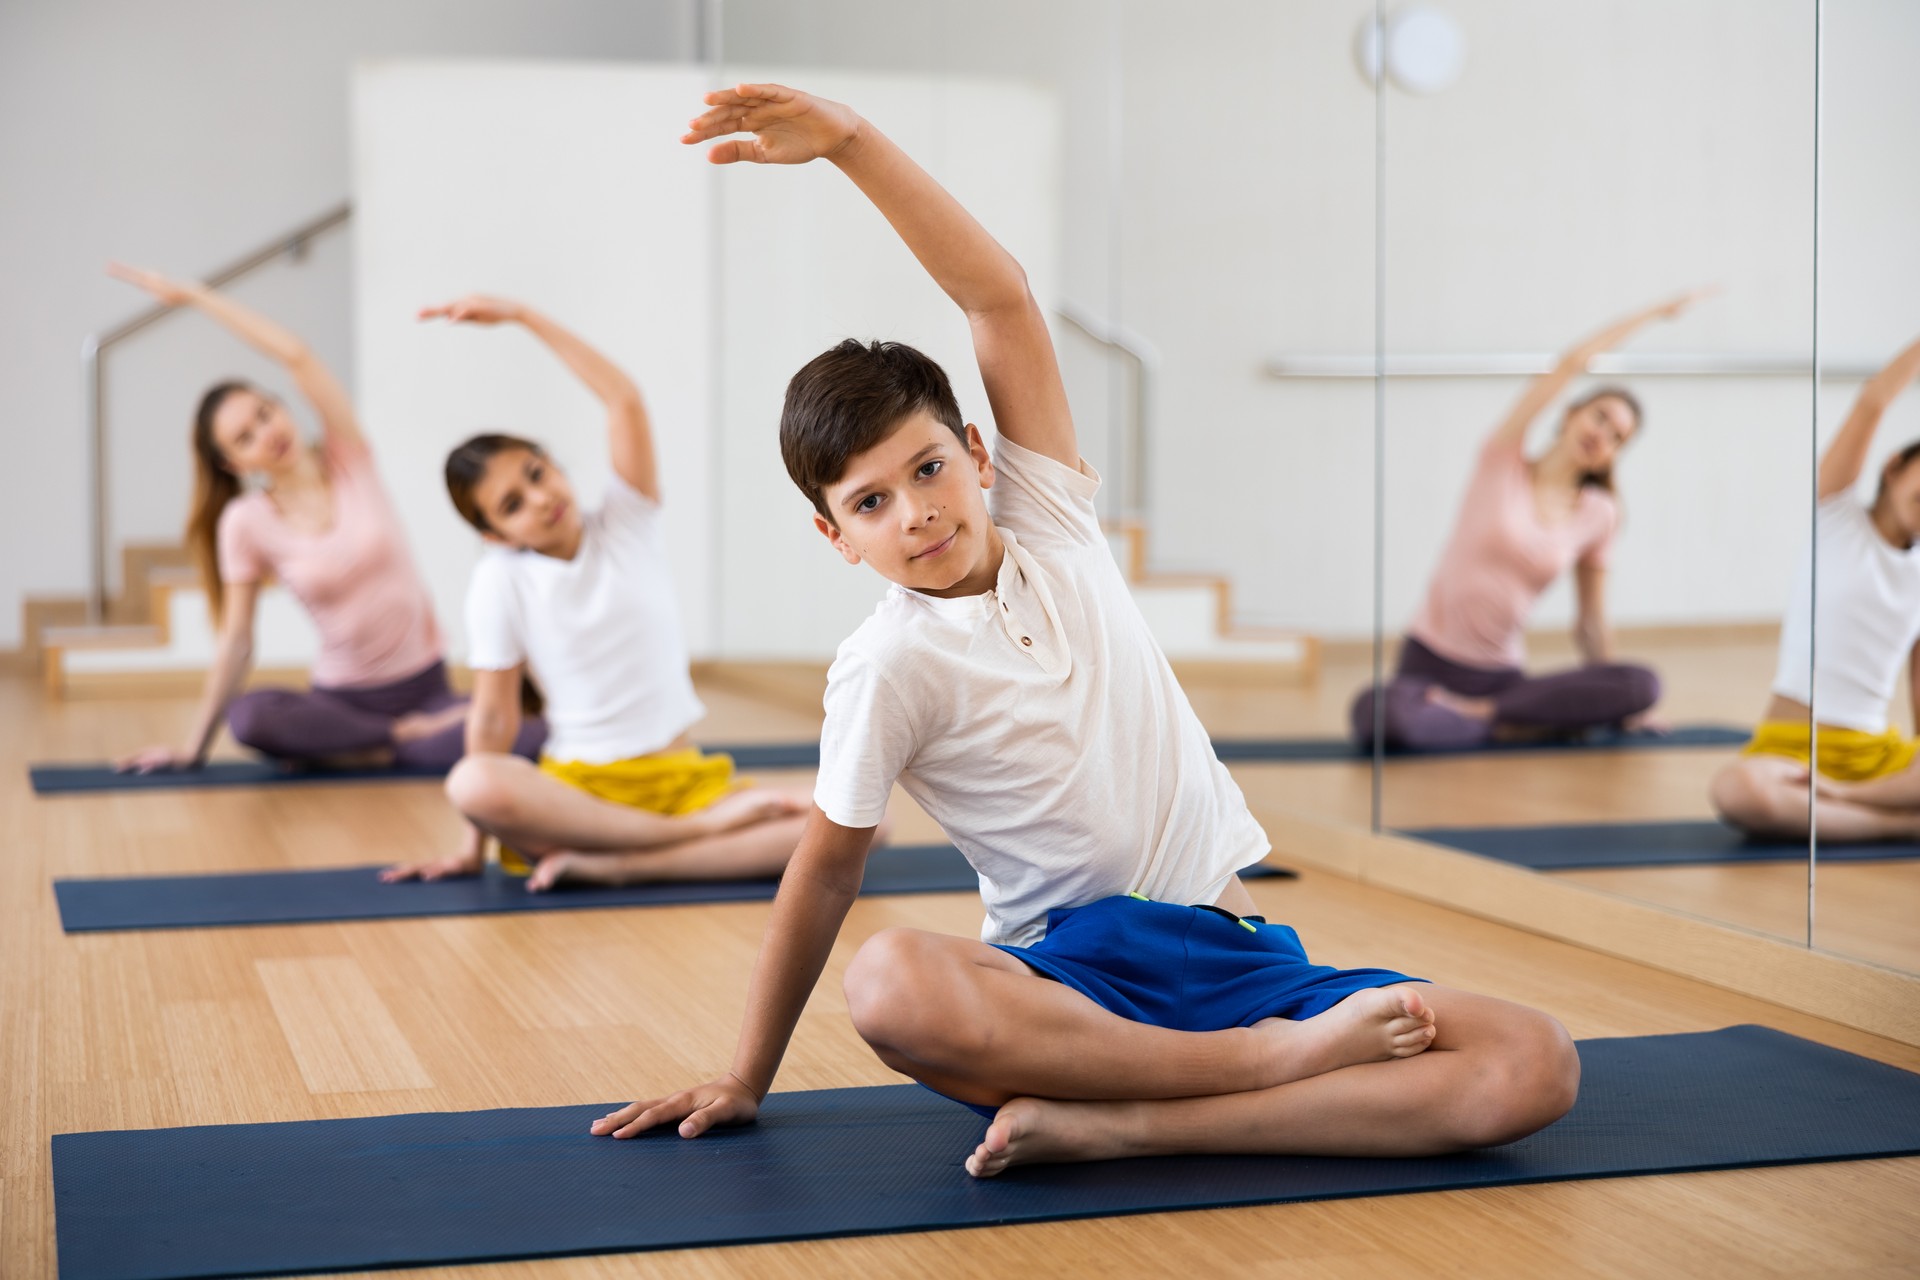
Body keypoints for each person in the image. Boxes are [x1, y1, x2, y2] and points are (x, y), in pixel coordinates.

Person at [591, 83, 1579, 1176]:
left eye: (928, 469)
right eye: (870, 502)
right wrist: (746, 1073)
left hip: (1239, 950)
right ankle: (1264, 1070)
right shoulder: (887, 664)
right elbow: (823, 875)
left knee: (1535, 1061)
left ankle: (1144, 1122)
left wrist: (853, 145)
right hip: (1073, 986)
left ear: (978, 451)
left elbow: (1001, 301)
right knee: (891, 981)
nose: (916, 512)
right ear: (836, 536)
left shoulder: (1050, 520)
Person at [382, 296, 809, 893]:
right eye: (511, 505)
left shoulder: (626, 520)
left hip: (684, 782)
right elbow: (494, 716)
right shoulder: (501, 580)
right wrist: (469, 845)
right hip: (584, 795)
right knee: (473, 783)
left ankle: (631, 864)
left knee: (869, 824)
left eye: (535, 473)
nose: (538, 498)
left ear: (552, 463)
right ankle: (693, 840)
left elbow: (622, 399)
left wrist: (523, 318)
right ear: (493, 534)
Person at [106, 264, 542, 775]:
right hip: (341, 707)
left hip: (428, 692)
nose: (265, 434)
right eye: (244, 439)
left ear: (282, 408)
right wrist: (193, 746)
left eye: (264, 414)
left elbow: (296, 355)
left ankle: (387, 749)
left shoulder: (349, 457)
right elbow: (237, 640)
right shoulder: (245, 523)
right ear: (234, 465)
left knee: (542, 734)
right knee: (250, 716)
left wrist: (197, 297)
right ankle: (393, 742)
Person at [1349, 293, 1711, 751]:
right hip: (1428, 669)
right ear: (1570, 414)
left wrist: (1625, 706)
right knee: (1381, 715)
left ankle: (1484, 717)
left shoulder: (1600, 513)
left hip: (1502, 681)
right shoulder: (1501, 459)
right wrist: (1652, 314)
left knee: (1643, 685)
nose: (1602, 434)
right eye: (1599, 416)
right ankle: (1507, 725)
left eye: (1617, 437)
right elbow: (1569, 363)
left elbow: (1591, 621)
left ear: (1615, 455)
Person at [1711, 336, 1920, 839]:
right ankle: (1894, 825)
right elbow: (1873, 400)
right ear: (1893, 468)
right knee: (1738, 790)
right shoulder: (1836, 516)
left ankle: (1849, 803)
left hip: (1872, 757)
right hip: (1790, 748)